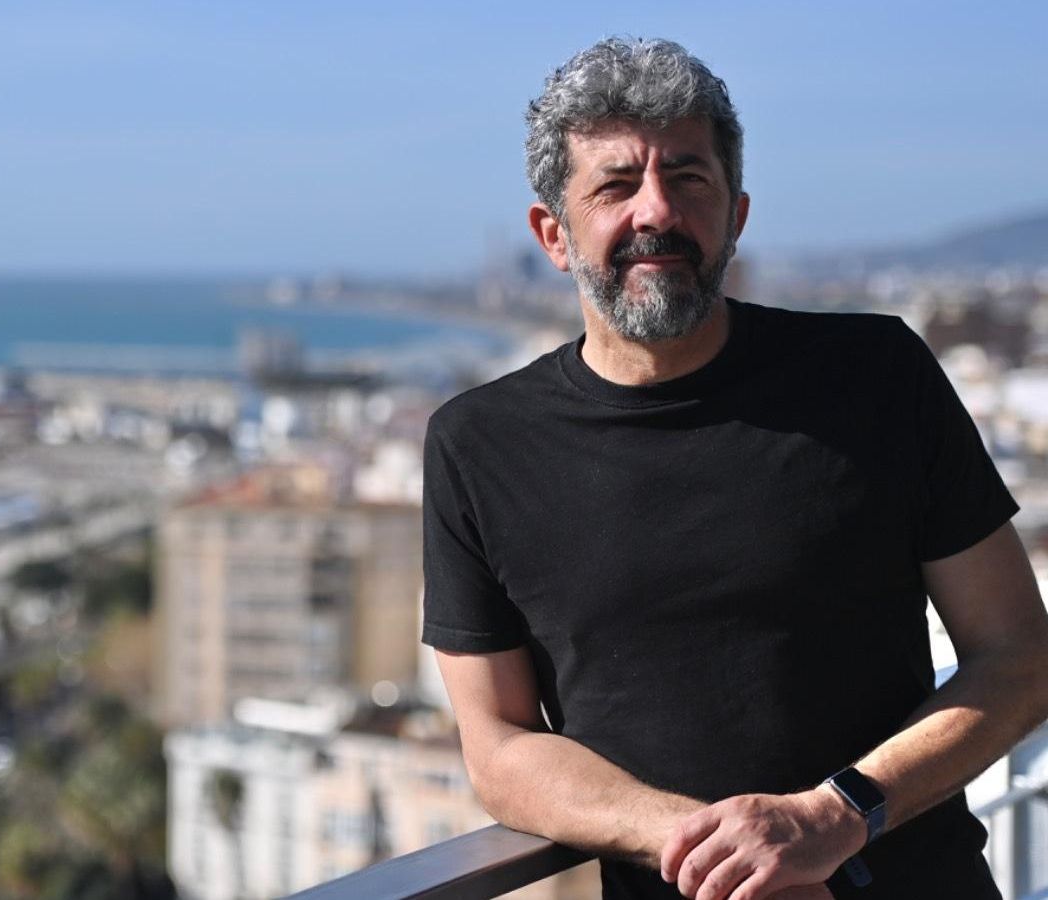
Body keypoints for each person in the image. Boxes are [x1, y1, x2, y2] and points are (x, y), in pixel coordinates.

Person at [421, 37, 1048, 900]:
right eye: (614, 185)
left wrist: (835, 818)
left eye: (689, 178)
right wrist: (720, 850)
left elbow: (1019, 655)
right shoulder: (477, 443)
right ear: (552, 235)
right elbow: (498, 746)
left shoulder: (877, 375)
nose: (656, 213)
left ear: (736, 213)